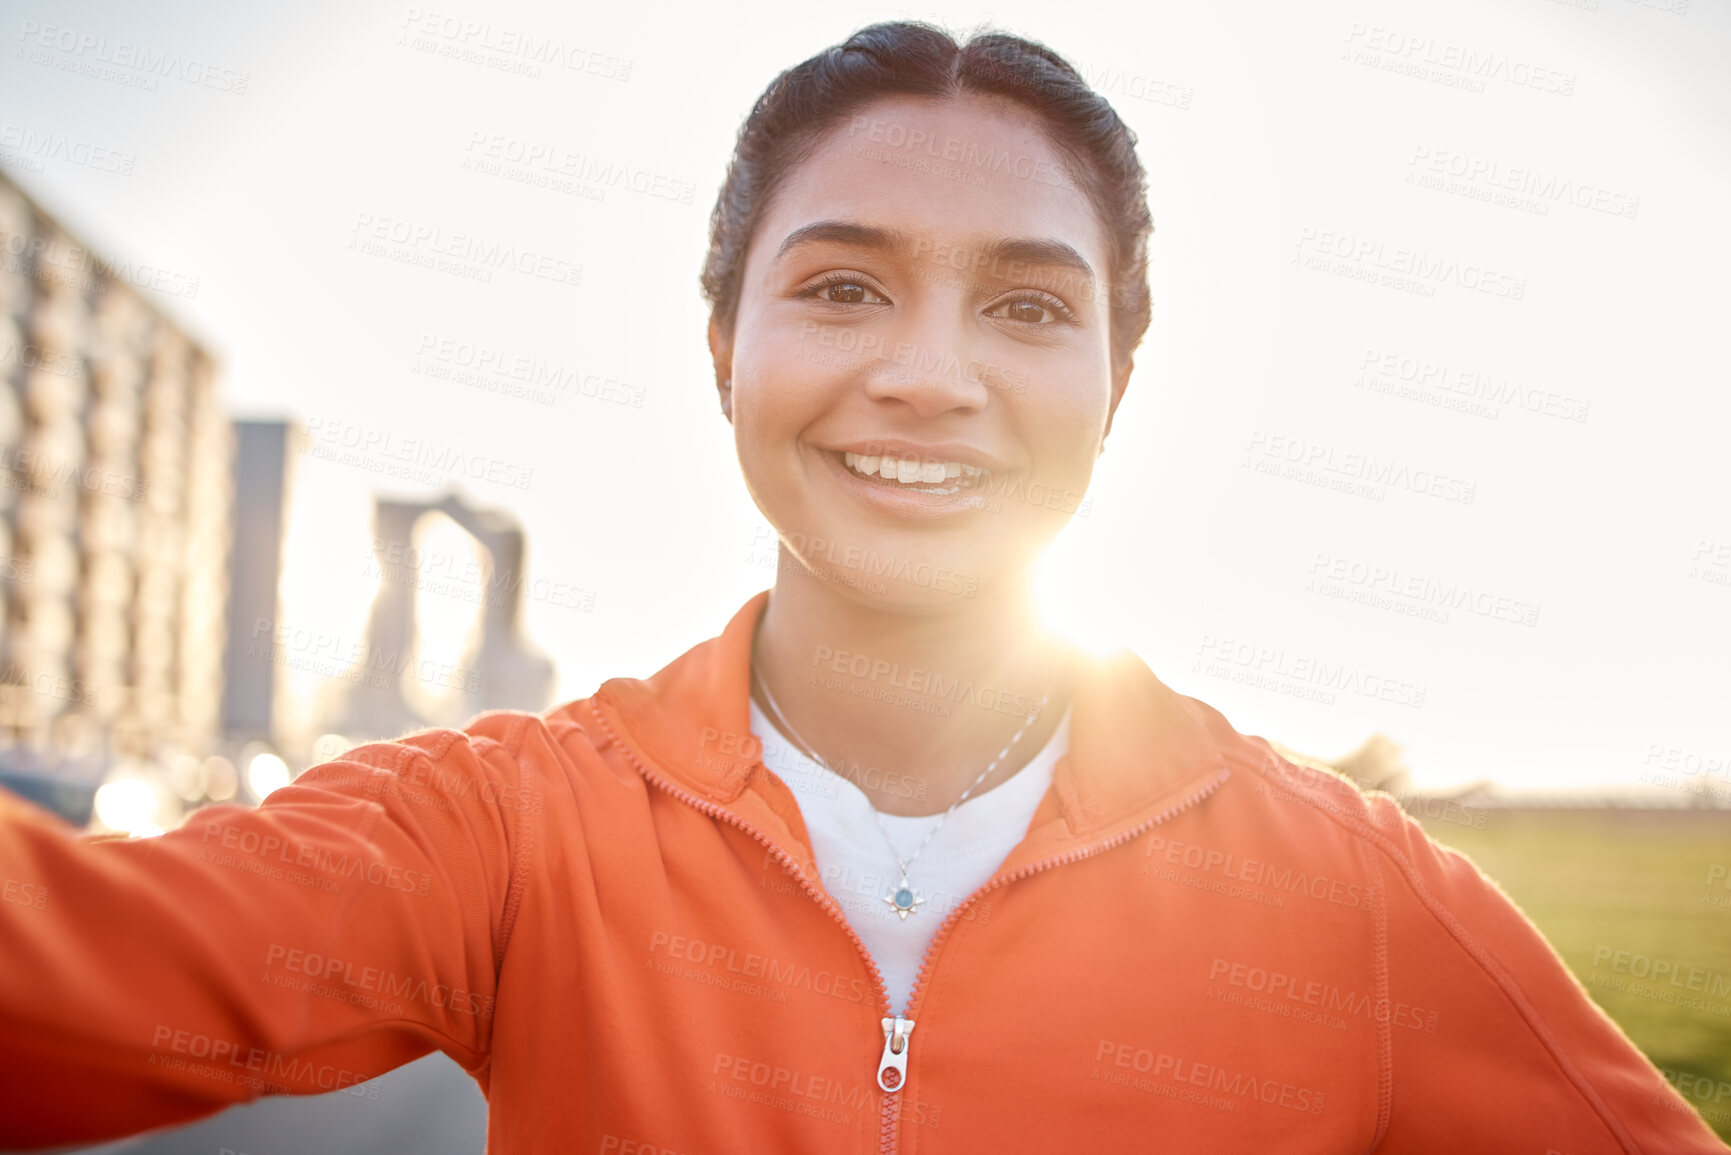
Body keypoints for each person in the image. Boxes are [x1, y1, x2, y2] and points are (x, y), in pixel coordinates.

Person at [0, 20, 1723, 1154]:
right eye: (840, 287)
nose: (927, 373)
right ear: (721, 347)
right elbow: (56, 982)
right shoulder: (513, 828)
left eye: (1031, 307)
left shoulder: (1350, 899)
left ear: (1121, 379)